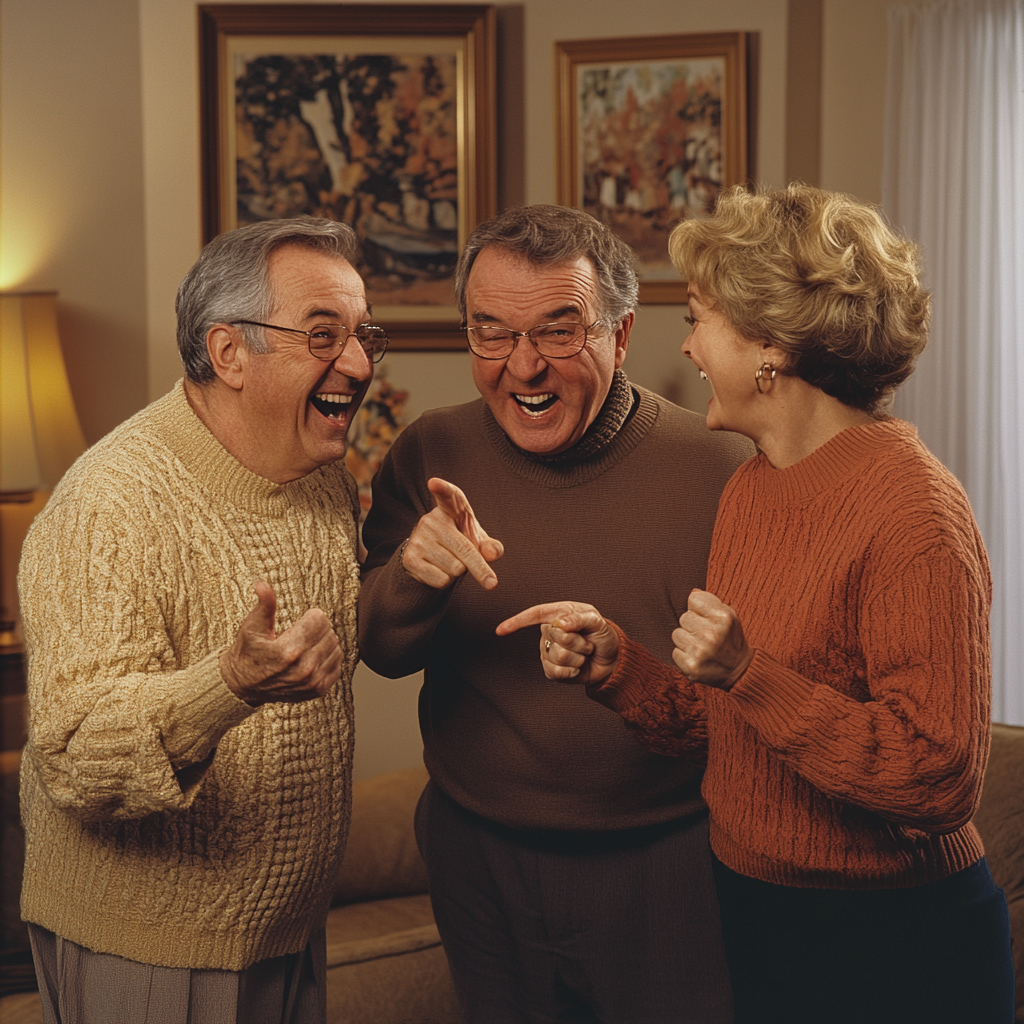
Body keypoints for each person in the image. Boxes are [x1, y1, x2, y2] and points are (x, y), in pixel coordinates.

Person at [500, 184, 1016, 1024]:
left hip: (894, 942)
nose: (690, 345)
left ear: (769, 345)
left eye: (699, 317)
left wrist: (749, 673)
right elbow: (733, 727)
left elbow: (939, 775)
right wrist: (619, 668)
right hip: (760, 912)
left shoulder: (914, 511)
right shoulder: (751, 487)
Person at [358, 204, 753, 1024]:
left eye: (558, 331)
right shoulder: (430, 452)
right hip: (478, 853)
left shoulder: (722, 466)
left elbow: (760, 693)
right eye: (491, 333)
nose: (523, 366)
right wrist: (414, 575)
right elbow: (383, 651)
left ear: (620, 334)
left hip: (666, 858)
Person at [17, 217, 388, 1024]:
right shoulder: (109, 505)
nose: (357, 366)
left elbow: (322, 662)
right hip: (151, 946)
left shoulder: (323, 478)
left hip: (287, 931)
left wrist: (416, 574)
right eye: (324, 335)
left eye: (364, 335)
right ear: (228, 353)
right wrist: (229, 684)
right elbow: (75, 758)